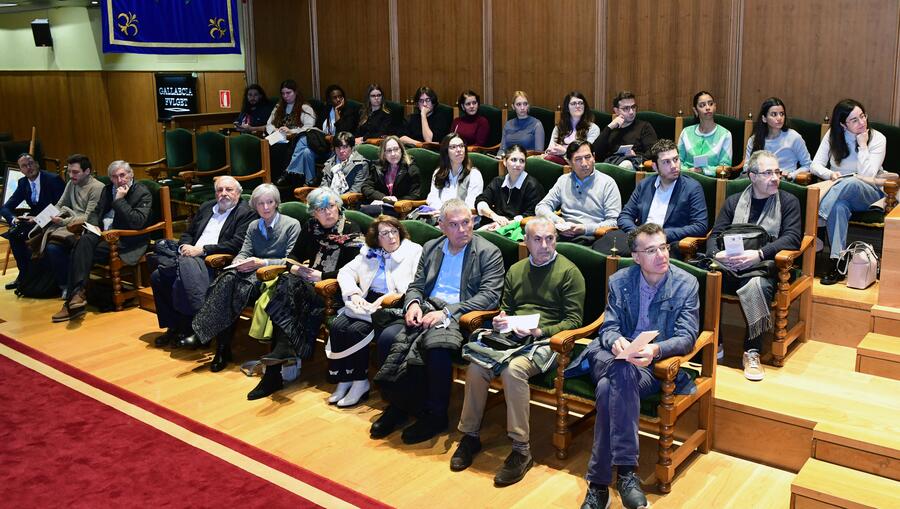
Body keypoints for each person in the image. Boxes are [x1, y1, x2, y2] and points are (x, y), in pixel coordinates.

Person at [569, 223, 700, 509]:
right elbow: (609, 327)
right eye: (651, 250)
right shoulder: (620, 281)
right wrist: (616, 341)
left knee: (608, 389)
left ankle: (599, 484)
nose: (662, 255)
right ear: (636, 256)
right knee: (618, 367)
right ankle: (627, 473)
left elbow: (688, 336)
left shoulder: (686, 283)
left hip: (652, 366)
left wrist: (656, 349)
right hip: (611, 357)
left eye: (664, 247)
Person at [451, 217, 584, 486]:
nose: (545, 245)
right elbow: (508, 308)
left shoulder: (570, 272)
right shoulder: (517, 270)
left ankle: (521, 450)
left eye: (550, 239)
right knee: (478, 367)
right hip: (513, 335)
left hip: (549, 341)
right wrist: (502, 319)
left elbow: (574, 322)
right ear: (526, 241)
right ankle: (470, 436)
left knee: (514, 371)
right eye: (538, 239)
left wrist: (539, 331)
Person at [370, 199, 504, 444]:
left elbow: (489, 295)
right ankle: (401, 405)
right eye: (455, 224)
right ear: (441, 226)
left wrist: (447, 313)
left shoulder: (487, 252)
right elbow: (417, 285)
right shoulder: (432, 247)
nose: (463, 229)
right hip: (426, 308)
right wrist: (411, 304)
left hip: (462, 318)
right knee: (389, 336)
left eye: (467, 222)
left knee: (436, 347)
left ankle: (435, 414)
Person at [245, 187, 364, 400]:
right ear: (313, 213)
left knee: (286, 293)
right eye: (320, 209)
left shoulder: (351, 230)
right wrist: (296, 268)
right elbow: (293, 256)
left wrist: (321, 275)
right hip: (305, 286)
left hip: (331, 290)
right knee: (286, 285)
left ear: (338, 206)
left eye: (331, 206)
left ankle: (275, 370)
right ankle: (278, 362)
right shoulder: (311, 227)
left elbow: (356, 271)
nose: (328, 212)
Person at [177, 184, 300, 373]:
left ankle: (213, 342)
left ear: (277, 203)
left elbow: (292, 259)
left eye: (270, 202)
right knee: (225, 279)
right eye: (260, 204)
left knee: (233, 289)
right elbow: (243, 252)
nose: (266, 207)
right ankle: (219, 346)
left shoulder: (291, 225)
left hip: (274, 275)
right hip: (251, 272)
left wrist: (262, 262)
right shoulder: (253, 226)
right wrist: (239, 262)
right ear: (255, 206)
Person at [708, 150, 801, 381]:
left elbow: (792, 238)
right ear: (752, 176)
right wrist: (717, 254)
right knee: (707, 278)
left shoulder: (788, 201)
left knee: (756, 285)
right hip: (729, 265)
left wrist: (758, 254)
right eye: (768, 173)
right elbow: (715, 234)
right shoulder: (734, 201)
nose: (775, 178)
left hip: (764, 266)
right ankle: (713, 342)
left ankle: (752, 351)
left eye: (777, 172)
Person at [327, 216, 422, 407]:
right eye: (385, 234)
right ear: (376, 239)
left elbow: (415, 284)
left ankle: (360, 381)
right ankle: (345, 379)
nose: (391, 237)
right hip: (365, 300)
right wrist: (353, 294)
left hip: (391, 304)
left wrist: (383, 300)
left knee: (356, 331)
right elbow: (345, 272)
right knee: (338, 325)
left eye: (394, 231)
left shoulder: (413, 251)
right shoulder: (369, 252)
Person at [150, 176, 256, 347]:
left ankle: (194, 329)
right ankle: (174, 326)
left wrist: (202, 250)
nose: (224, 194)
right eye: (219, 190)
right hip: (189, 255)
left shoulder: (245, 213)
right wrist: (184, 245)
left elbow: (237, 243)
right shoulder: (207, 207)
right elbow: (188, 233)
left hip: (212, 261)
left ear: (238, 192)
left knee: (175, 275)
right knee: (157, 277)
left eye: (229, 190)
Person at [51, 161, 151, 323]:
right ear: (110, 178)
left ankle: (73, 299)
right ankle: (76, 296)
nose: (119, 180)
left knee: (79, 249)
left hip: (125, 239)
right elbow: (95, 213)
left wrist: (119, 201)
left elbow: (138, 222)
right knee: (82, 241)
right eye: (114, 177)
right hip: (101, 235)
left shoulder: (141, 192)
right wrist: (93, 226)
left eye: (122, 175)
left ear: (131, 174)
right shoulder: (107, 190)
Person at [811, 99, 891, 285]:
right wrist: (830, 174)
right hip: (838, 191)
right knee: (839, 207)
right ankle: (838, 261)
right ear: (842, 124)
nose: (861, 122)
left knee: (852, 181)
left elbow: (868, 175)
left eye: (862, 116)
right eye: (854, 120)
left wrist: (862, 145)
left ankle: (816, 218)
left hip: (870, 192)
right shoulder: (833, 135)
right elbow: (815, 165)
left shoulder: (877, 138)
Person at [602, 139, 707, 256]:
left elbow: (700, 226)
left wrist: (662, 234)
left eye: (676, 159)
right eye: (666, 162)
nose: (674, 166)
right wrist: (639, 234)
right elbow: (625, 216)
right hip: (641, 239)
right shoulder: (645, 184)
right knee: (605, 245)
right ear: (655, 167)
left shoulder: (692, 188)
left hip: (668, 243)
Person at [535, 140, 621, 244]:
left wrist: (585, 229)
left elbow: (613, 222)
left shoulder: (608, 183)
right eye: (578, 159)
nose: (584, 163)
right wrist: (558, 221)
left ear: (594, 157)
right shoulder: (563, 180)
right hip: (563, 236)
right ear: (569, 162)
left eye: (588, 157)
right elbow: (541, 207)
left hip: (594, 238)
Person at [43, 154, 105, 297]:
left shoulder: (97, 187)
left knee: (57, 247)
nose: (71, 175)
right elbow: (60, 204)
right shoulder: (72, 183)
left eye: (75, 172)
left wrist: (63, 221)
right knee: (47, 244)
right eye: (69, 172)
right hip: (70, 224)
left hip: (84, 229)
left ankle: (71, 287)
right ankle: (62, 284)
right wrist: (40, 219)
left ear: (87, 171)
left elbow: (89, 217)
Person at [1, 153, 65, 290]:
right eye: (24, 166)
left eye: (30, 163)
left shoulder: (53, 179)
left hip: (53, 220)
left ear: (37, 164)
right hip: (34, 221)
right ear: (21, 170)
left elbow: (61, 206)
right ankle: (24, 275)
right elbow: (6, 207)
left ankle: (37, 277)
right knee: (14, 234)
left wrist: (38, 219)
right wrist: (13, 219)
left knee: (26, 235)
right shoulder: (23, 183)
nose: (29, 167)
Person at [475, 144, 545, 230]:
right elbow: (481, 201)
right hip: (494, 224)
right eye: (514, 160)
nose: (518, 164)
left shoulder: (532, 186)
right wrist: (494, 216)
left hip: (519, 229)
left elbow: (531, 215)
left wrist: (504, 224)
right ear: (504, 162)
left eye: (522, 161)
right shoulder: (498, 181)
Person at [265, 79, 317, 186]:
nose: (285, 96)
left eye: (288, 93)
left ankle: (287, 177)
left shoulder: (305, 108)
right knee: (270, 147)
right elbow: (269, 124)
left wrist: (291, 131)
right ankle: (272, 180)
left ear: (296, 92)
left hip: (295, 139)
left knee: (283, 149)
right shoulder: (279, 107)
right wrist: (274, 130)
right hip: (278, 138)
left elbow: (309, 127)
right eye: (283, 93)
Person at [745, 97, 812, 180]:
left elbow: (807, 165)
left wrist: (791, 175)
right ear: (764, 118)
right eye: (774, 114)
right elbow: (747, 166)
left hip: (783, 179)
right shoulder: (754, 139)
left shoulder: (794, 137)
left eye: (782, 114)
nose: (779, 118)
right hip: (760, 179)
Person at [591, 91, 658, 169]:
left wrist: (636, 155)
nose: (631, 112)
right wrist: (609, 128)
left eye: (633, 107)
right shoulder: (611, 129)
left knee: (626, 164)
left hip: (632, 165)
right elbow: (595, 153)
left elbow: (653, 151)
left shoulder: (644, 127)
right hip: (611, 164)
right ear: (616, 110)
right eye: (626, 108)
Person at [360, 135, 422, 216]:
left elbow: (415, 195)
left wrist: (396, 201)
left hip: (401, 209)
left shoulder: (411, 169)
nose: (393, 154)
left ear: (401, 150)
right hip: (383, 205)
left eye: (396, 149)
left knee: (364, 211)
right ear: (384, 154)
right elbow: (366, 186)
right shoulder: (378, 167)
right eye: (389, 151)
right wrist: (383, 198)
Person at [678, 90, 733, 176]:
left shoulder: (725, 134)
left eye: (710, 104)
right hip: (686, 177)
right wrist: (689, 170)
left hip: (711, 182)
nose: (707, 107)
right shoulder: (686, 132)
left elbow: (725, 167)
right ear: (695, 110)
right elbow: (677, 161)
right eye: (702, 105)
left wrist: (703, 171)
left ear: (715, 107)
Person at [425, 133, 484, 210]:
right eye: (453, 147)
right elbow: (432, 198)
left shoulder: (474, 174)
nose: (459, 150)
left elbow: (471, 205)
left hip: (463, 219)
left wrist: (447, 214)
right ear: (446, 152)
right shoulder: (438, 173)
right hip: (440, 217)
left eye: (461, 146)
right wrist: (441, 213)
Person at [544, 91, 600, 164]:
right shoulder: (559, 127)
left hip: (580, 163)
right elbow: (550, 148)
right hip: (556, 161)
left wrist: (565, 152)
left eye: (580, 103)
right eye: (573, 103)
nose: (578, 106)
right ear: (567, 107)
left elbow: (586, 152)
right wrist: (550, 151)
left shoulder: (593, 128)